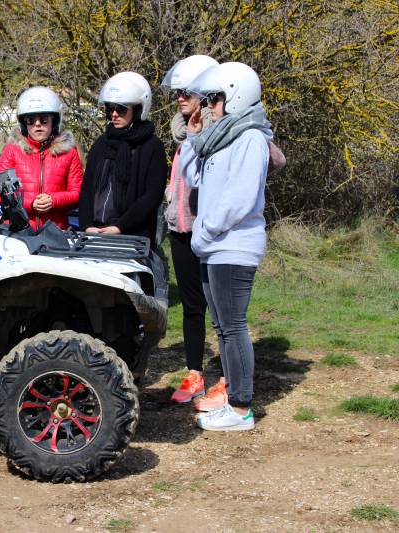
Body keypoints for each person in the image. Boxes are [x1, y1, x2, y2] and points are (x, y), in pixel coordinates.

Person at [179, 62, 273, 431]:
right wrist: (193, 138)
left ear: (235, 97)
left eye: (215, 99)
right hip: (214, 245)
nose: (210, 106)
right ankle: (233, 397)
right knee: (221, 326)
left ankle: (241, 408)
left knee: (233, 326)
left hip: (233, 244)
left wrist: (207, 230)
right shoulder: (221, 138)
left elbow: (241, 198)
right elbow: (192, 178)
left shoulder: (251, 138)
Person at [161, 55, 218, 405]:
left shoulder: (218, 130)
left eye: (186, 92)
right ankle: (195, 373)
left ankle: (229, 380)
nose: (180, 98)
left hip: (209, 230)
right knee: (193, 306)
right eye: (177, 92)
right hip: (181, 227)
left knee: (221, 309)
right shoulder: (182, 132)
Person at [79, 72, 167, 244]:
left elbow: (152, 195)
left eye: (121, 109)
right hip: (94, 232)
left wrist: (120, 226)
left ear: (138, 109)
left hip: (133, 236)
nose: (114, 114)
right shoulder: (101, 144)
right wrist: (87, 225)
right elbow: (87, 188)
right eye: (110, 108)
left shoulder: (151, 147)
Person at [0, 86, 83, 230]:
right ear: (23, 123)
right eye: (30, 120)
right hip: (19, 233)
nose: (37, 124)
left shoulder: (69, 152)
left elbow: (78, 193)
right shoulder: (12, 150)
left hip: (56, 232)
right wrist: (29, 202)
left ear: (54, 121)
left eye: (44, 119)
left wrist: (54, 200)